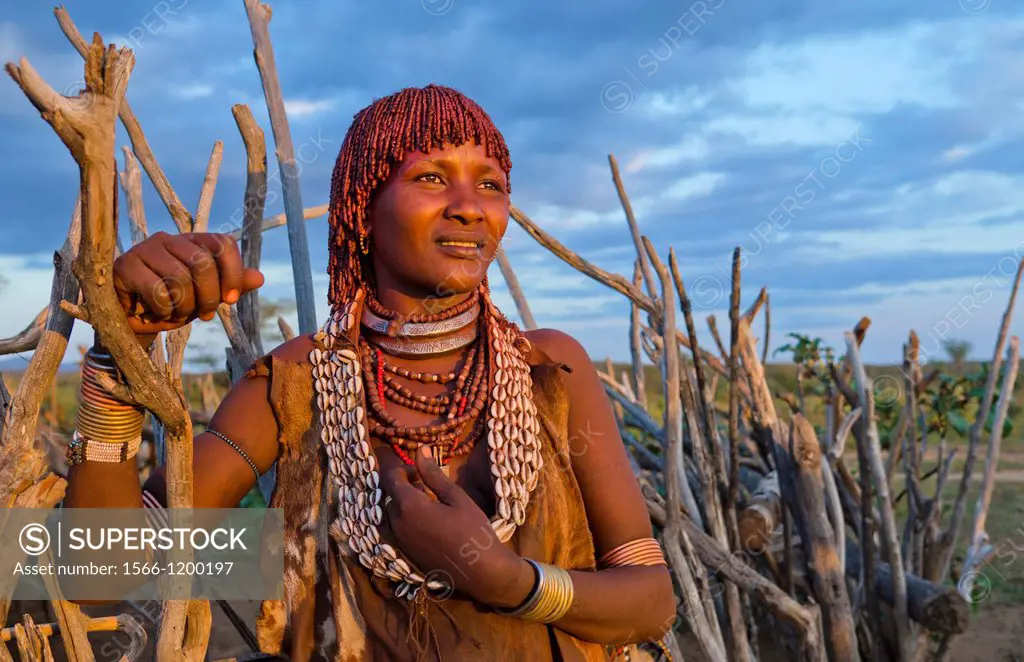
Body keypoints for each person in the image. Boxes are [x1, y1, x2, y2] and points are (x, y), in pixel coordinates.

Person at [64, 84, 676, 661]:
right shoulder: (297, 381)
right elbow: (99, 575)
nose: (469, 207)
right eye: (431, 177)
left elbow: (650, 603)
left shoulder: (551, 370)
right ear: (363, 205)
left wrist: (506, 580)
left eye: (490, 184)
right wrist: (120, 354)